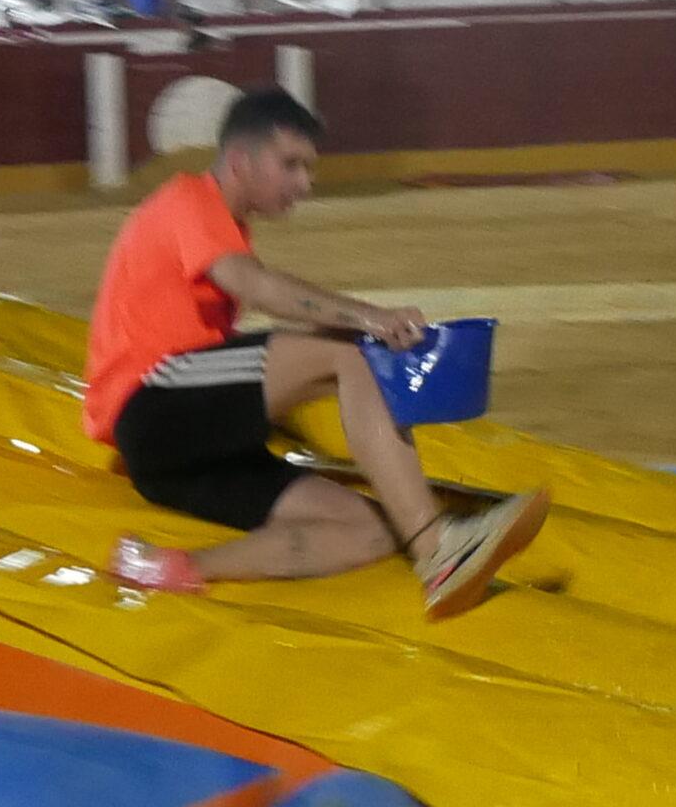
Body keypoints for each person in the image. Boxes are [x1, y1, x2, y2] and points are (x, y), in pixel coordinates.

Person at [87, 87, 548, 618]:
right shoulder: (189, 200)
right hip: (151, 407)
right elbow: (258, 287)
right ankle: (437, 547)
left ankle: (173, 567)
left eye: (308, 168)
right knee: (349, 355)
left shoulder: (218, 223)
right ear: (239, 161)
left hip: (172, 453)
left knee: (371, 528)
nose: (304, 183)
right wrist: (369, 318)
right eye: (291, 165)